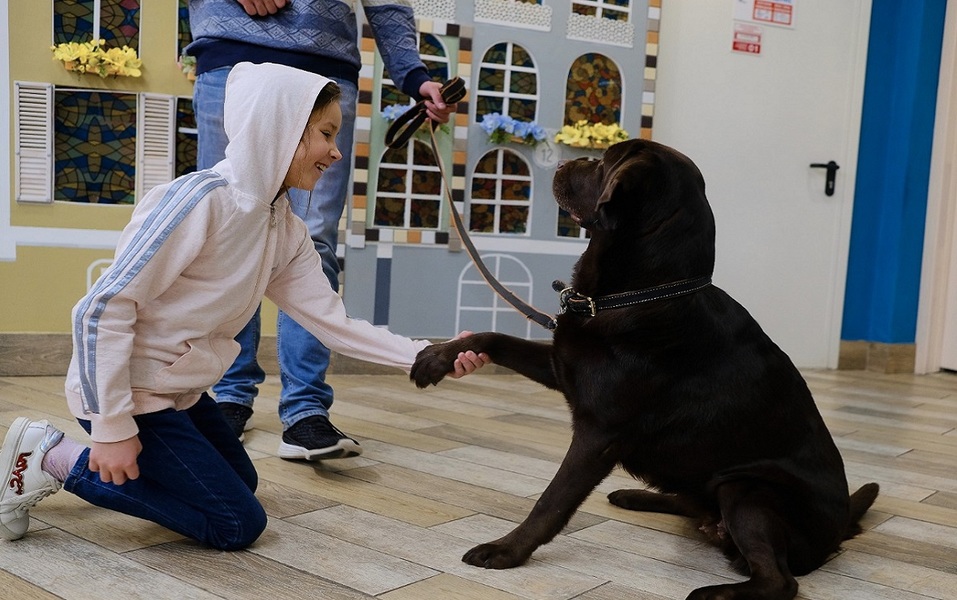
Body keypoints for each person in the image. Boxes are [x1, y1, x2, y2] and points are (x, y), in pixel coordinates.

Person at [0, 63, 487, 549]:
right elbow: (100, 308)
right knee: (236, 523)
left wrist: (427, 353)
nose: (336, 152)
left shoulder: (287, 229)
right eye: (325, 134)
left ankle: (145, 470)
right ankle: (53, 457)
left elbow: (332, 323)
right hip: (126, 390)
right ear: (282, 127)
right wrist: (111, 427)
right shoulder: (201, 201)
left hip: (181, 391)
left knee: (241, 486)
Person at [187, 0, 456, 461]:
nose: (331, 154)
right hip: (230, 58)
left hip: (324, 64)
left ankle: (305, 409)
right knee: (229, 233)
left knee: (314, 244)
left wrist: (412, 74)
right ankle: (229, 394)